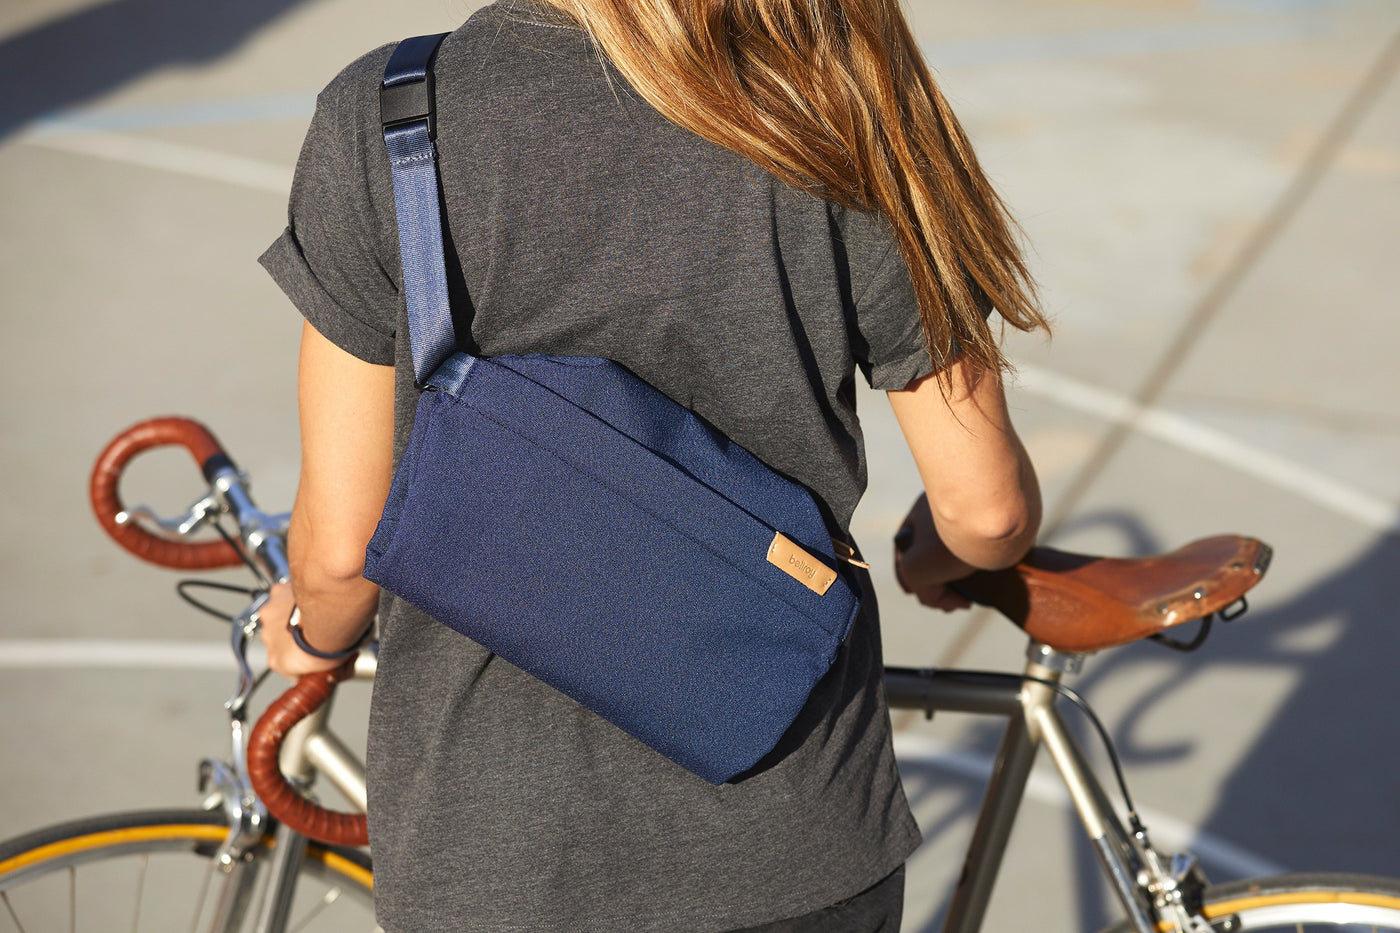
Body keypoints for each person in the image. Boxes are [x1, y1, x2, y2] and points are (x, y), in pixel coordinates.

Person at [256, 0, 1048, 929]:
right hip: (793, 839)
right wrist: (933, 559)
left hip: (499, 862)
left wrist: (308, 634)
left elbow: (342, 550)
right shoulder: (837, 99)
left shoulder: (395, 111)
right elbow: (987, 511)